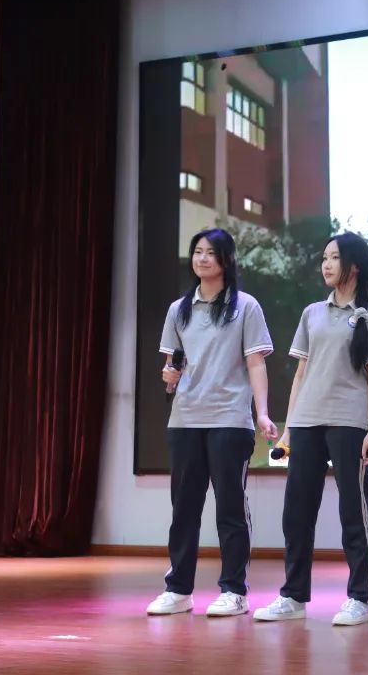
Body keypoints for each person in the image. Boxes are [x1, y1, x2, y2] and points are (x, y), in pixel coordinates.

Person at [253, 232, 368, 625]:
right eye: (324, 258)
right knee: (296, 512)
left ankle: (360, 598)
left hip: (349, 423)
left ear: (354, 266)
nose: (326, 265)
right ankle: (293, 597)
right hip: (306, 423)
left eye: (334, 258)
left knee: (354, 511)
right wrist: (288, 429)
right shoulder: (312, 313)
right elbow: (301, 374)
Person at [148, 228, 276, 617]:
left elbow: (256, 363)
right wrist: (169, 375)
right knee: (184, 508)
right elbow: (172, 365)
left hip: (230, 419)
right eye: (197, 252)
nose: (202, 258)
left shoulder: (245, 307)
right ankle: (178, 589)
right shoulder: (179, 309)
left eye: (210, 252)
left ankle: (234, 590)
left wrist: (262, 412)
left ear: (226, 259)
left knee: (230, 508)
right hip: (185, 418)